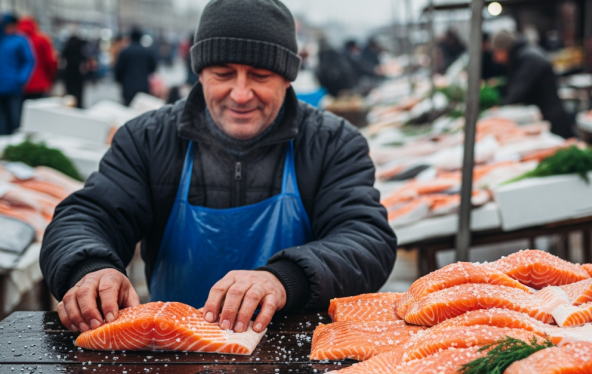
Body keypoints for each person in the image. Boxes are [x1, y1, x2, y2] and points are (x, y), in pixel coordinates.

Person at [41, 0, 397, 334]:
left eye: (259, 76)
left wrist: (285, 279)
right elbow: (86, 216)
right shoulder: (148, 139)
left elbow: (366, 238)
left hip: (299, 351)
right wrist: (89, 269)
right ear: (200, 73)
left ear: (288, 78)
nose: (240, 94)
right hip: (172, 357)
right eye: (223, 73)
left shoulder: (332, 142)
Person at [490, 30, 573, 138]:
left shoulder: (528, 58)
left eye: (496, 53)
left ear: (504, 48)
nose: (496, 59)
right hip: (545, 115)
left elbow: (518, 92)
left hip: (551, 118)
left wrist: (501, 109)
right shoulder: (523, 54)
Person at [0, 13, 34, 135]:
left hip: (13, 86)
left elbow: (28, 61)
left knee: (15, 119)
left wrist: (21, 78)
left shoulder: (19, 40)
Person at [114, 28, 157, 105]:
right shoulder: (147, 52)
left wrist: (120, 81)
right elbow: (153, 68)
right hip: (143, 86)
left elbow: (118, 69)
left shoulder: (124, 52)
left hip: (128, 87)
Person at [18, 17, 57, 100]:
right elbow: (50, 62)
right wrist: (50, 79)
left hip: (19, 84)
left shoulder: (15, 40)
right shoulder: (42, 39)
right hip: (39, 83)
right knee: (37, 110)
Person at [59, 36, 89, 108]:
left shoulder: (67, 49)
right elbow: (85, 62)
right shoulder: (80, 49)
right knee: (78, 95)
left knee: (69, 95)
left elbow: (62, 62)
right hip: (78, 76)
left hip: (69, 75)